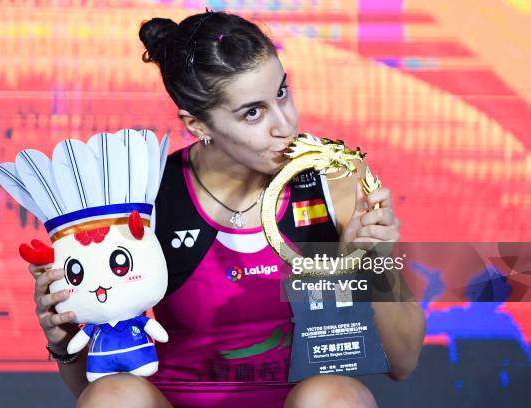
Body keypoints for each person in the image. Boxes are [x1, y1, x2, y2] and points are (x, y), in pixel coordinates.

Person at [28, 10, 425, 407]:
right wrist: (61, 339)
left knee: (334, 396)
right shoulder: (149, 196)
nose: (285, 125)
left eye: (282, 93)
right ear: (198, 125)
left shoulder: (335, 178)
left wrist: (370, 261)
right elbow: (95, 392)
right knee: (112, 398)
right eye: (253, 112)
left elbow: (403, 363)